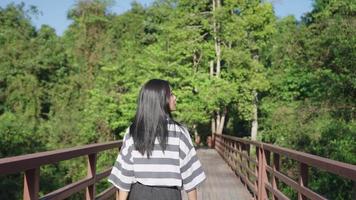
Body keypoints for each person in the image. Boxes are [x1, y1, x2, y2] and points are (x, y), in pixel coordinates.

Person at [108, 79, 206, 200]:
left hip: (138, 194)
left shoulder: (133, 131)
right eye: (171, 94)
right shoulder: (179, 132)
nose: (175, 98)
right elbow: (190, 178)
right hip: (169, 195)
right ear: (160, 99)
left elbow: (124, 177)